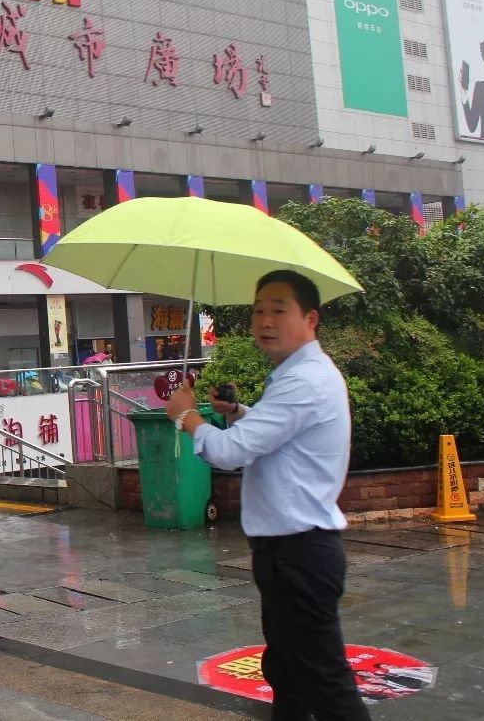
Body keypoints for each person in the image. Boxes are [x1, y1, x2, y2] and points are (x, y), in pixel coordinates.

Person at [164, 270, 370, 721]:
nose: (265, 321)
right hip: (288, 549)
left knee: (324, 682)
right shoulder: (296, 374)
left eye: (279, 310)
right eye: (259, 310)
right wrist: (236, 412)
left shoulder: (305, 380)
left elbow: (229, 452)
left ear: (310, 318)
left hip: (300, 551)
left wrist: (186, 418)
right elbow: (275, 438)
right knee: (289, 674)